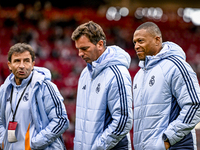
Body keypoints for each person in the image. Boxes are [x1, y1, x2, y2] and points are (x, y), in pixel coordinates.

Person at [132, 21, 200, 150]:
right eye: (134, 42)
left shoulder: (176, 66)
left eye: (140, 41)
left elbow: (195, 104)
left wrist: (168, 139)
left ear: (157, 40)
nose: (136, 46)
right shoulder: (139, 75)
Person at [71, 21, 133, 150]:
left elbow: (123, 120)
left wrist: (98, 147)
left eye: (84, 48)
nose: (80, 54)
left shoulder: (117, 73)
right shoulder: (85, 73)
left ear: (100, 44)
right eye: (78, 49)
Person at [0, 43, 69, 150]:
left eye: (26, 61)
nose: (22, 66)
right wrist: (3, 142)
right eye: (17, 61)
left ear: (33, 64)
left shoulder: (44, 87)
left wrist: (34, 144)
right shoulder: (4, 90)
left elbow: (61, 120)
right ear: (9, 65)